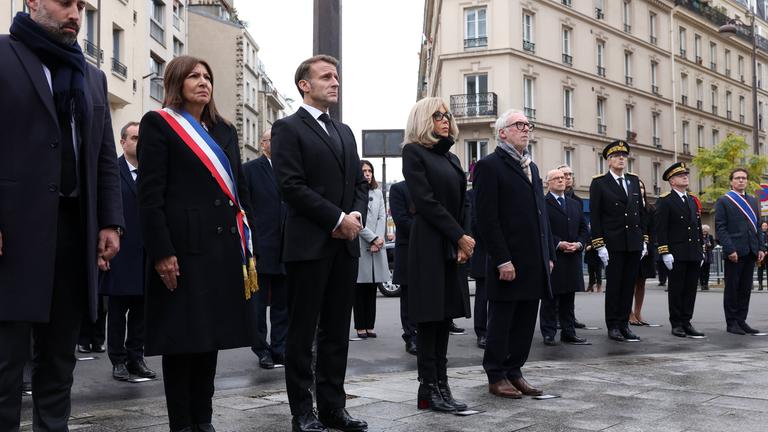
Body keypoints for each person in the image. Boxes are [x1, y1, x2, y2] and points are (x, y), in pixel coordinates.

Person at [0, 3, 124, 430]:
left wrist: (109, 221)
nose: (75, 13)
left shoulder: (91, 76)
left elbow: (105, 155)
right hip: (12, 232)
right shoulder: (3, 55)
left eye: (80, 6)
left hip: (74, 231)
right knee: (5, 366)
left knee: (58, 363)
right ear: (33, 1)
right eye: (65, 2)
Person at [137, 56, 258, 432]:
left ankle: (203, 422)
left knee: (210, 340)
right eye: (194, 76)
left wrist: (248, 244)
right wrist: (162, 251)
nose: (203, 82)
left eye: (207, 76)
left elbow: (239, 190)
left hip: (221, 250)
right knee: (182, 342)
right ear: (177, 81)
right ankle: (182, 425)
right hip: (182, 249)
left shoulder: (223, 130)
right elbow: (150, 195)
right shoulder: (159, 124)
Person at [271, 55, 368, 432]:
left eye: (337, 77)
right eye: (326, 76)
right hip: (308, 246)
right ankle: (302, 412)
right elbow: (291, 186)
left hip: (344, 246)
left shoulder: (344, 132)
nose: (335, 82)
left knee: (335, 333)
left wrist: (355, 217)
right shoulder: (287, 128)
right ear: (304, 85)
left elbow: (360, 184)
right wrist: (336, 218)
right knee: (301, 334)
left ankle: (333, 407)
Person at [474, 109, 553, 399]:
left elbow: (540, 214)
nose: (526, 128)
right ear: (502, 132)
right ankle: (496, 374)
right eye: (519, 124)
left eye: (527, 124)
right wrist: (501, 259)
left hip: (534, 260)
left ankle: (515, 370)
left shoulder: (530, 167)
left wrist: (548, 255)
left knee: (524, 322)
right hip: (507, 261)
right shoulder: (489, 166)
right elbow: (486, 219)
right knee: (502, 320)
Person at [402, 97, 473, 413]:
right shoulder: (413, 152)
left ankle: (442, 385)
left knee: (444, 318)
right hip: (429, 242)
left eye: (447, 115)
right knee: (429, 318)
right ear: (423, 120)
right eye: (437, 115)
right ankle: (428, 388)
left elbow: (463, 203)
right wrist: (459, 236)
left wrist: (462, 239)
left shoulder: (453, 159)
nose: (445, 119)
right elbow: (426, 202)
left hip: (452, 243)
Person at [100, 121, 156, 381]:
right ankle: (118, 360)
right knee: (117, 310)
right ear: (123, 142)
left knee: (142, 312)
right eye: (134, 138)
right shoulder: (112, 170)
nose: (138, 142)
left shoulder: (153, 172)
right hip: (120, 252)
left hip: (146, 252)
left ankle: (136, 358)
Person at [589, 140, 647, 342]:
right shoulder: (599, 183)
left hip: (632, 242)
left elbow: (640, 213)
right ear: (608, 160)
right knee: (614, 286)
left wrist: (643, 239)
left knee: (628, 285)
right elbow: (595, 217)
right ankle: (613, 325)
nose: (621, 159)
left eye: (624, 156)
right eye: (616, 156)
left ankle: (624, 324)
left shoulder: (632, 181)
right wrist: (599, 244)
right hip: (612, 243)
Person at [243, 129, 289, 370]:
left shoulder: (290, 169)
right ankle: (261, 349)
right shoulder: (250, 170)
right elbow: (246, 209)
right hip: (261, 248)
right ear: (263, 144)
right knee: (259, 305)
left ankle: (280, 347)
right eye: (273, 140)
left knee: (283, 305)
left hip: (287, 248)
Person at [654, 162, 706, 338]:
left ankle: (687, 321)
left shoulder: (691, 200)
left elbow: (697, 227)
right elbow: (661, 229)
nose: (685, 177)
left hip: (692, 252)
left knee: (691, 290)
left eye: (686, 174)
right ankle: (676, 323)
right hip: (676, 253)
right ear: (672, 181)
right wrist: (664, 251)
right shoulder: (665, 201)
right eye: (680, 175)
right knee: (676, 290)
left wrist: (701, 250)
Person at [714, 168, 766, 335]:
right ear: (731, 181)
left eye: (744, 178)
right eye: (737, 178)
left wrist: (761, 247)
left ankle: (741, 320)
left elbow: (757, 226)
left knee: (745, 289)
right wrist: (729, 249)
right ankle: (731, 323)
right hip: (734, 252)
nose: (741, 181)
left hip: (751, 250)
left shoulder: (752, 200)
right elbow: (721, 228)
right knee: (732, 288)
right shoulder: (724, 200)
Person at [540, 168, 588, 346]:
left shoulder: (574, 204)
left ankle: (569, 332)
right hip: (555, 256)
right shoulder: (543, 204)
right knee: (550, 297)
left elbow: (584, 228)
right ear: (548, 183)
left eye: (563, 177)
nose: (562, 180)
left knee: (569, 297)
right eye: (557, 178)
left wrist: (579, 244)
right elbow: (542, 231)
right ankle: (549, 332)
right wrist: (558, 243)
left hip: (573, 256)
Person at [353, 160, 389, 339]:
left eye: (370, 171)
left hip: (377, 245)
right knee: (360, 289)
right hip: (361, 244)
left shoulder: (378, 193)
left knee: (372, 289)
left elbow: (383, 216)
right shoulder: (354, 193)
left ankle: (369, 325)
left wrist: (379, 239)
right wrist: (372, 238)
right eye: (364, 171)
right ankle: (360, 326)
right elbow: (356, 222)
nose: (367, 174)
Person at [556, 163, 587, 329]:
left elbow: (582, 224)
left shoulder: (577, 201)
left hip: (574, 249)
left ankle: (569, 317)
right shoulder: (549, 199)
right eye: (564, 175)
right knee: (557, 288)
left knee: (571, 287)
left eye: (569, 174)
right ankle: (556, 318)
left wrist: (579, 243)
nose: (567, 178)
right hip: (558, 248)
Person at [389, 180, 418, 355]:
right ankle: (411, 336)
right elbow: (401, 219)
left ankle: (425, 335)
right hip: (408, 248)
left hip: (430, 250)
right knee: (408, 296)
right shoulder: (398, 189)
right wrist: (427, 231)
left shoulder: (430, 186)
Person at [629, 179, 656, 326]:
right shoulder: (629, 207)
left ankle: (638, 312)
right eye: (637, 187)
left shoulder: (650, 208)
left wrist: (650, 245)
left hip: (647, 251)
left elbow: (653, 229)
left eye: (642, 187)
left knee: (641, 282)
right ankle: (629, 313)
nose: (640, 190)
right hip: (633, 248)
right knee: (630, 283)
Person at [467, 187, 488, 349]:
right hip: (482, 252)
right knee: (483, 296)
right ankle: (482, 333)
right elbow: (471, 224)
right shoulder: (471, 195)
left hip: (501, 253)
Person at [700, 225, 715, 291]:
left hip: (708, 255)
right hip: (701, 255)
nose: (705, 232)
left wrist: (710, 245)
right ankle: (702, 284)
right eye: (703, 231)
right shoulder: (699, 236)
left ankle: (706, 284)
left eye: (706, 231)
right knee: (701, 271)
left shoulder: (710, 237)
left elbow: (713, 246)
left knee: (707, 271)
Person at [758, 222, 768, 290]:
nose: (764, 227)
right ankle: (760, 285)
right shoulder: (759, 235)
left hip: (767, 255)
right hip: (760, 255)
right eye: (763, 226)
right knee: (760, 270)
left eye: (766, 226)